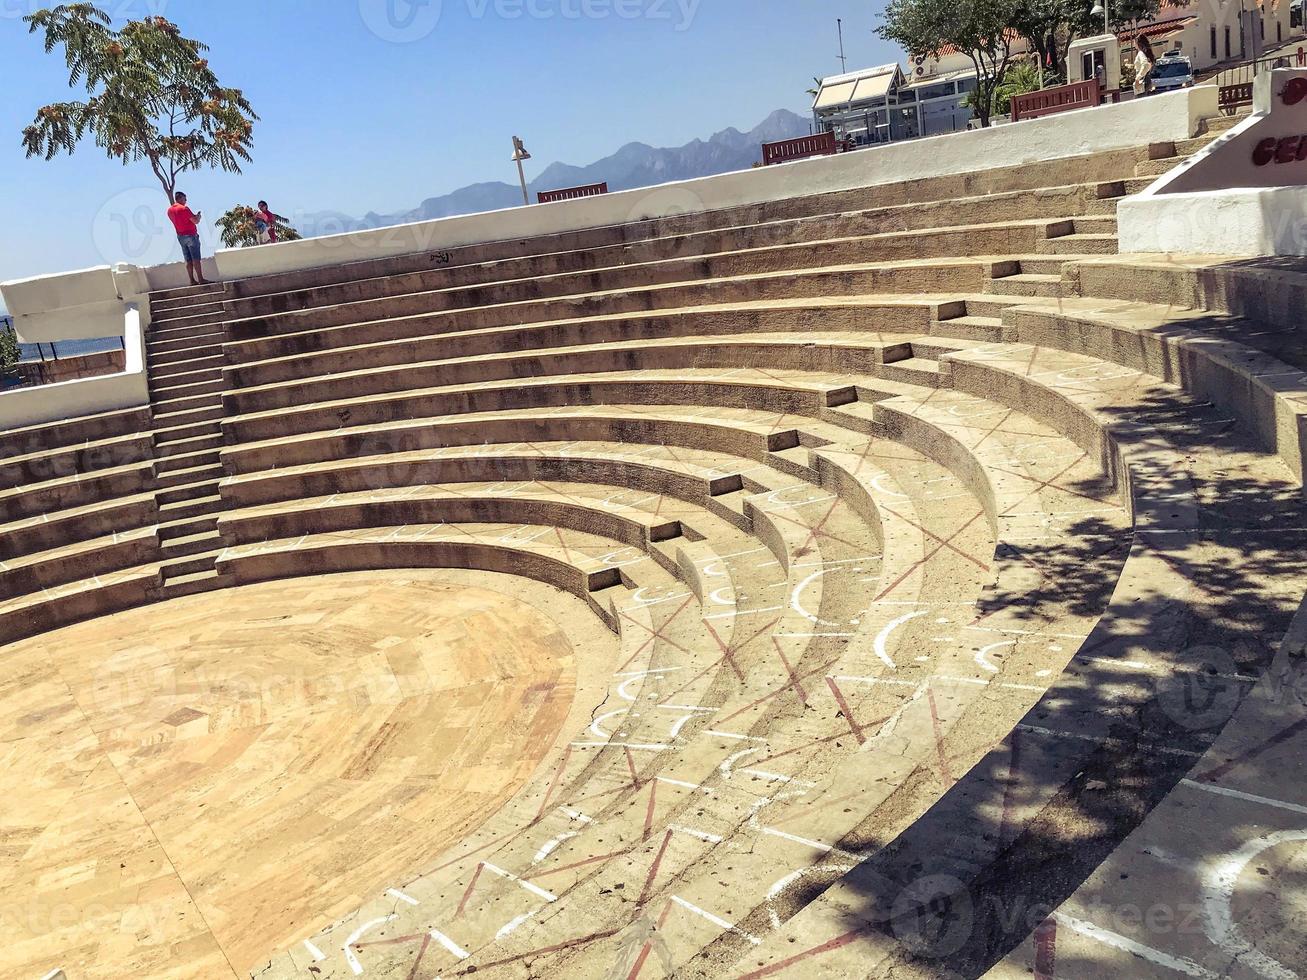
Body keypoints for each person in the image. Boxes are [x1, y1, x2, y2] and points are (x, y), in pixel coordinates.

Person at [166, 191, 210, 285]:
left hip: (180, 237)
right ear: (180, 198)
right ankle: (201, 279)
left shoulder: (169, 211)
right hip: (191, 235)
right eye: (184, 199)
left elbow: (181, 220)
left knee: (188, 260)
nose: (185, 201)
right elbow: (195, 221)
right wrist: (198, 217)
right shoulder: (184, 208)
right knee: (196, 258)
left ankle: (192, 280)